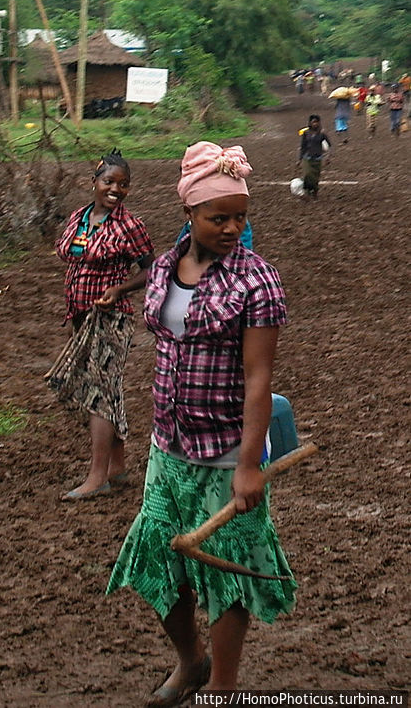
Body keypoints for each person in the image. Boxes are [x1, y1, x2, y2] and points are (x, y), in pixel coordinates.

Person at [107, 141, 296, 704]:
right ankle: (191, 662)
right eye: (219, 217)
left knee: (227, 572)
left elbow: (259, 380)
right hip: (168, 445)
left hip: (224, 450)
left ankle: (223, 685)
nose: (233, 227)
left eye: (240, 216)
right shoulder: (166, 266)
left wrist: (248, 466)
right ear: (189, 213)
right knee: (158, 556)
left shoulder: (256, 281)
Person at [49, 150, 154, 500]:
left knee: (99, 393)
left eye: (123, 185)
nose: (116, 190)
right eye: (109, 182)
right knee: (105, 390)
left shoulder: (129, 225)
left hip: (111, 318)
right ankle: (117, 467)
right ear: (93, 182)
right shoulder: (79, 218)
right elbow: (68, 256)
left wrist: (120, 288)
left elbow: (151, 270)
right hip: (79, 318)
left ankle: (97, 477)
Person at [297, 114, 332, 198]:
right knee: (307, 175)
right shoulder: (306, 133)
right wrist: (299, 159)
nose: (315, 124)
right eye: (313, 122)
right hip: (307, 158)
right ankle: (307, 191)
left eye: (317, 122)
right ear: (310, 123)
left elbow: (329, 145)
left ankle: (314, 191)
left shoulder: (322, 134)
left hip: (317, 158)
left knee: (315, 177)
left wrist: (328, 157)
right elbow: (303, 146)